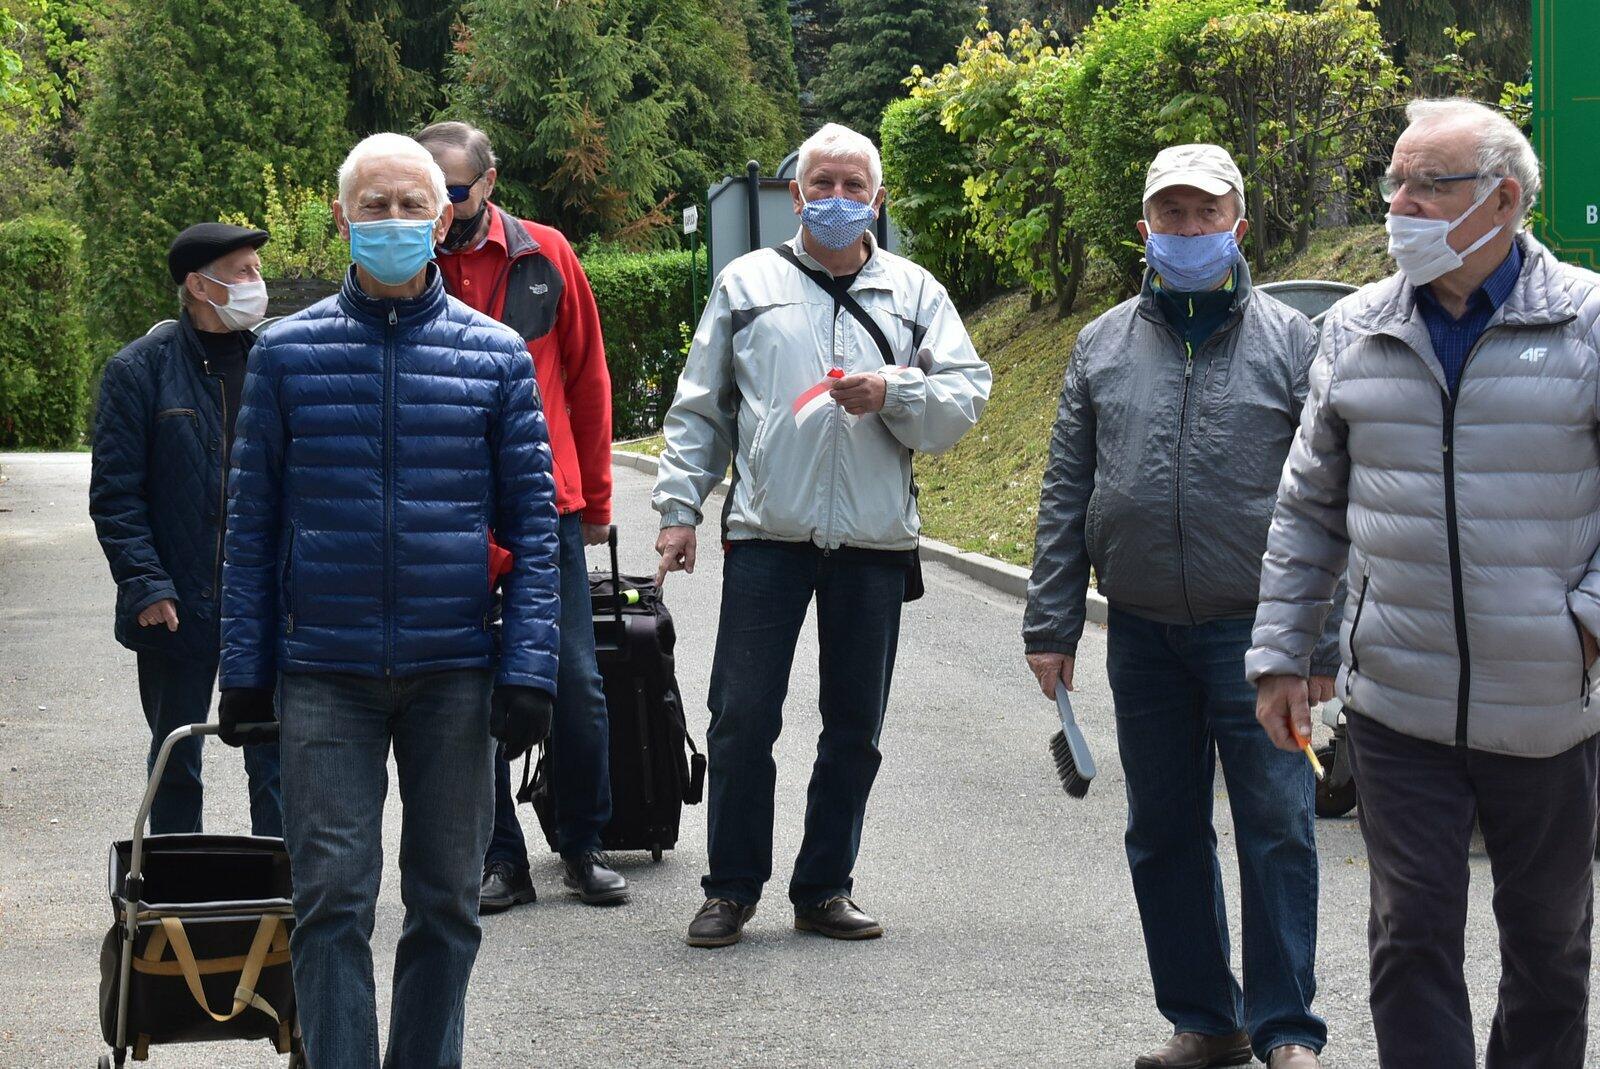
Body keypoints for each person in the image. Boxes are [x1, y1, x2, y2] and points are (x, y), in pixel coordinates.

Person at [1250, 97, 1600, 1069]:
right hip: (1397, 707)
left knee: (1549, 947)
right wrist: (1282, 654)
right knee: (1409, 939)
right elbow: (1308, 507)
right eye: (1393, 181)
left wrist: (1581, 624)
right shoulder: (1356, 327)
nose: (1398, 204)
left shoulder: (1586, 321)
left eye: (1425, 185)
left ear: (1503, 201)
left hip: (1547, 708)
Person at [219, 132, 561, 1068]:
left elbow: (536, 530)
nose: (395, 220)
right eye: (375, 205)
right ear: (343, 218)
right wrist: (244, 670)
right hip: (323, 672)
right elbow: (250, 526)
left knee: (447, 901)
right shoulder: (284, 356)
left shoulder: (496, 357)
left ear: (444, 218)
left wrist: (530, 668)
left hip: (457, 669)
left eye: (414, 205)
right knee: (330, 901)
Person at [1024, 145, 1329, 1069]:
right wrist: (1051, 622)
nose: (1188, 230)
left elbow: (1332, 495)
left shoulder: (1295, 342)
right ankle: (1206, 1018)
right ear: (1145, 229)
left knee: (1277, 827)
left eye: (1206, 213)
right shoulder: (1101, 344)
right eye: (1171, 214)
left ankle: (1286, 1028)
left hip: (1259, 635)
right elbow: (1066, 487)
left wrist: (1319, 640)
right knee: (1161, 831)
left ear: (1239, 226)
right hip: (1142, 631)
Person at [653, 122, 990, 949]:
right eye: (823, 184)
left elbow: (964, 398)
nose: (838, 198)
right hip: (768, 534)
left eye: (853, 186)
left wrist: (895, 394)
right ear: (796, 195)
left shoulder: (916, 293)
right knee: (741, 717)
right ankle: (731, 888)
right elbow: (702, 407)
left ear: (878, 198)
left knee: (853, 726)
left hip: (874, 543)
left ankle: (824, 887)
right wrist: (677, 509)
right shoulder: (746, 283)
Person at [416, 119, 626, 911]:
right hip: (448, 508)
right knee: (468, 683)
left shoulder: (546, 255)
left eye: (454, 191)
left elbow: (588, 377)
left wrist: (597, 498)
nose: (442, 208)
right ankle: (500, 857)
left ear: (489, 183)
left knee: (573, 678)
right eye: (430, 193)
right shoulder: (410, 263)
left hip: (545, 503)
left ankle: (583, 842)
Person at [89, 222, 282, 836]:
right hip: (176, 604)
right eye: (244, 272)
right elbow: (116, 495)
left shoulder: (275, 363)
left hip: (264, 601)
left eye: (257, 270)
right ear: (200, 286)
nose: (257, 283)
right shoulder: (138, 371)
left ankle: (283, 882)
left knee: (277, 756)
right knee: (177, 757)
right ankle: (178, 879)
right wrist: (146, 584)